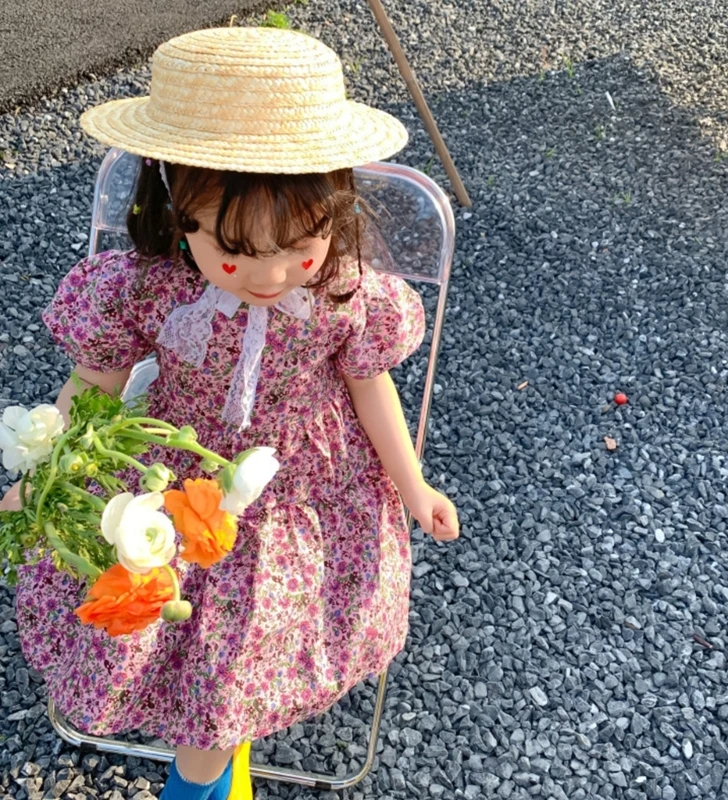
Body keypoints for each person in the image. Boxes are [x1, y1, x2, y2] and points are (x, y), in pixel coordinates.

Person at [0, 26, 459, 800]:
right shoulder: (146, 286)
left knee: (243, 645)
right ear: (181, 213)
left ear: (333, 211)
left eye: (302, 248)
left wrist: (412, 487)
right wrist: (42, 476)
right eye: (237, 252)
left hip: (303, 484)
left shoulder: (344, 293)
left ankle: (206, 764)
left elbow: (368, 385)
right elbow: (97, 382)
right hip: (172, 475)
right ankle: (210, 758)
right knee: (171, 622)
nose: (273, 276)